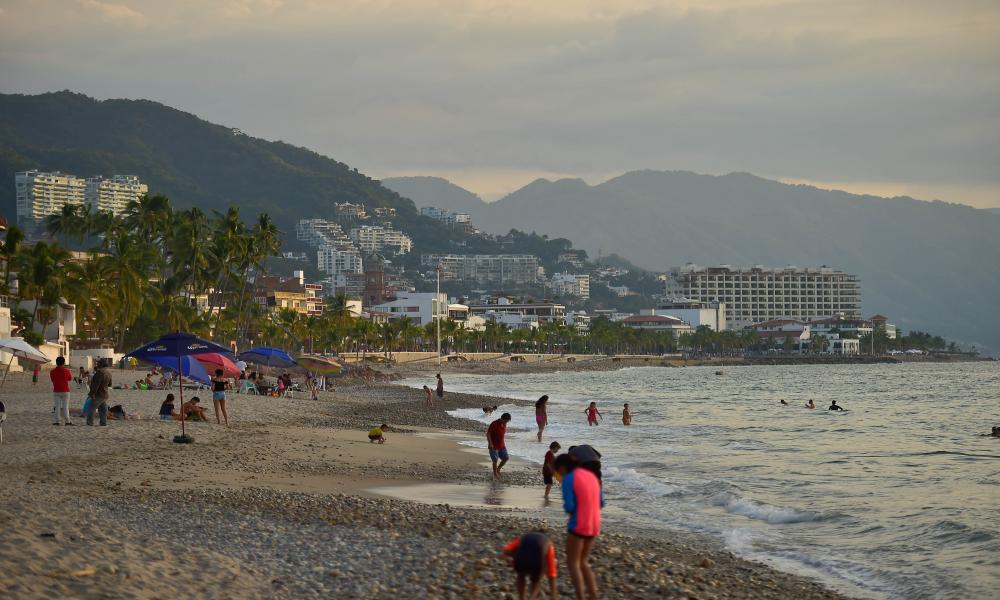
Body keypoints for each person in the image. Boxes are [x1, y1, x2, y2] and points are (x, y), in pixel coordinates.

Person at [554, 453, 605, 600]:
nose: (558, 475)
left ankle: (581, 597)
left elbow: (570, 506)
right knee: (583, 562)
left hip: (578, 524)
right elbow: (601, 503)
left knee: (573, 563)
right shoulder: (592, 476)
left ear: (563, 467)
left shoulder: (569, 479)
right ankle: (593, 596)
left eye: (558, 471)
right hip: (594, 524)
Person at [501, 531, 558, 600]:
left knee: (521, 575)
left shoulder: (523, 538)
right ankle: (532, 598)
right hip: (536, 565)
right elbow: (552, 573)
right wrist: (554, 595)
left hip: (521, 562)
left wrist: (511, 560)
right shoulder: (548, 543)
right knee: (536, 579)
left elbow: (506, 550)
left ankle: (522, 598)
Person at [487, 412, 512, 479]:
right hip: (493, 446)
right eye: (506, 421)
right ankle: (495, 473)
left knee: (506, 458)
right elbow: (488, 434)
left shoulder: (504, 424)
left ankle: (498, 469)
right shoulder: (494, 424)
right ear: (502, 418)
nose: (506, 423)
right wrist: (490, 443)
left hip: (501, 445)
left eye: (507, 421)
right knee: (495, 460)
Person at [50, 356, 73, 426]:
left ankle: (57, 421)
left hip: (56, 390)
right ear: (64, 363)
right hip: (65, 390)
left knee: (57, 406)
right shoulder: (67, 370)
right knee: (65, 406)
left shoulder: (52, 371)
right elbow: (70, 379)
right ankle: (67, 421)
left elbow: (52, 380)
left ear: (56, 363)